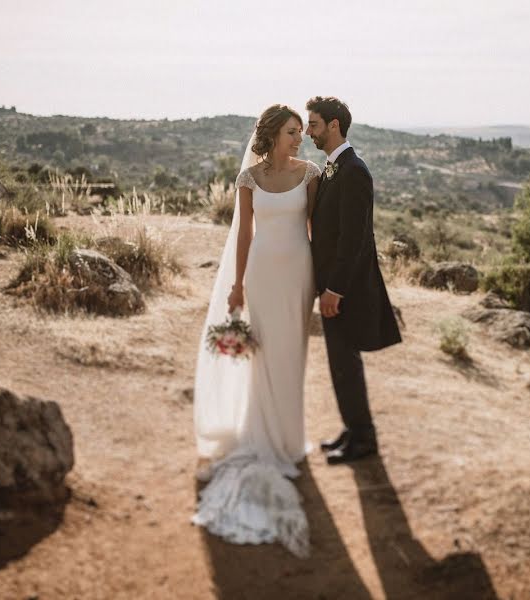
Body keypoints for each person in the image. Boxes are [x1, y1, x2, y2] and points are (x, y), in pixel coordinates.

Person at [191, 104, 320, 557]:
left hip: (299, 276)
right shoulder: (249, 179)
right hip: (262, 276)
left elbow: (315, 232)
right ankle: (260, 433)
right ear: (272, 134)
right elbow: (243, 236)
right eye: (291, 131)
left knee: (292, 355)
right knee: (264, 352)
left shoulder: (311, 175)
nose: (298, 138)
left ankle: (287, 435)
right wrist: (237, 286)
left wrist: (323, 288)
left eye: (301, 132)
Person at [305, 96, 402, 465]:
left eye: (313, 125)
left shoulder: (354, 171)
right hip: (331, 285)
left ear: (333, 126)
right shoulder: (333, 168)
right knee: (340, 363)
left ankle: (364, 439)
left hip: (343, 289)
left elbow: (354, 238)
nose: (309, 132)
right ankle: (353, 429)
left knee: (346, 362)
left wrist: (334, 289)